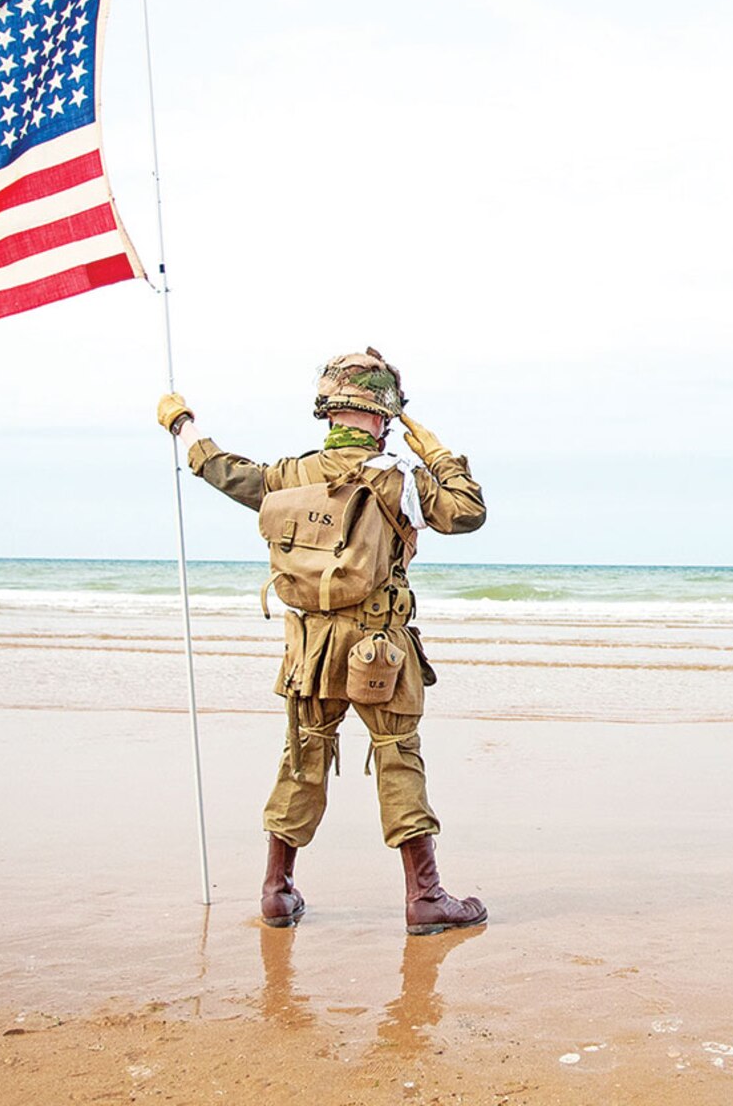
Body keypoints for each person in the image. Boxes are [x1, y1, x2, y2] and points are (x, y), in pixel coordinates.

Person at [155, 348, 488, 935]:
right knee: (397, 758)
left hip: (308, 651)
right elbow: (468, 513)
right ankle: (424, 897)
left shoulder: (290, 475)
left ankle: (277, 892)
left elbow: (222, 470)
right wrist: (436, 451)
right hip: (379, 651)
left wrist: (184, 424)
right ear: (385, 417)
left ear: (330, 413)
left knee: (303, 757)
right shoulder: (398, 480)